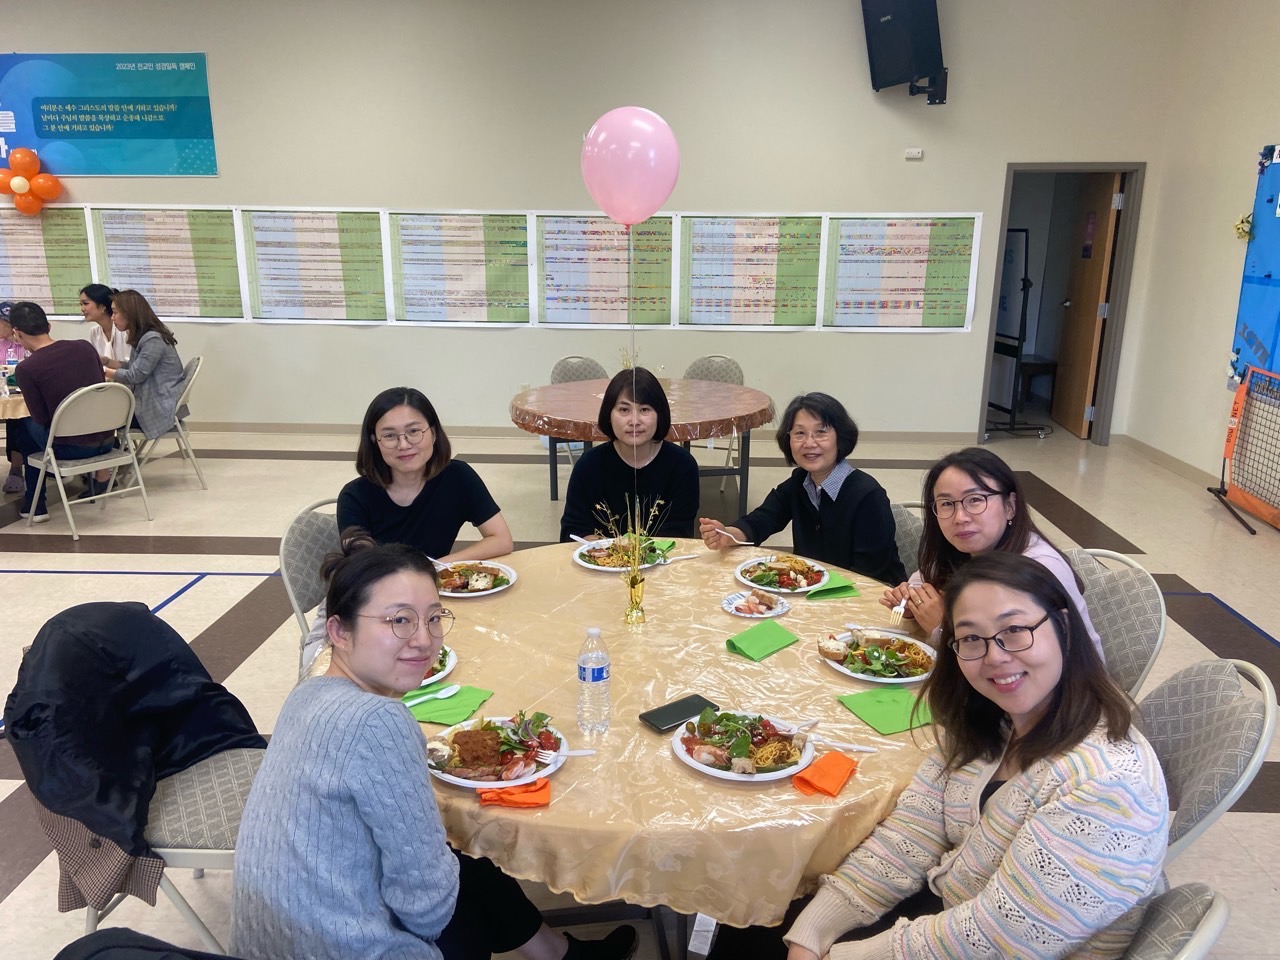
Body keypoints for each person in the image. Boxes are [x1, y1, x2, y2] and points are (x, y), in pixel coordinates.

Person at [709, 553, 1168, 960]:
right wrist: (814, 931)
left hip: (991, 944)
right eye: (971, 638)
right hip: (949, 908)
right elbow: (916, 830)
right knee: (755, 921)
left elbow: (997, 939)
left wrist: (845, 955)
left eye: (1014, 630)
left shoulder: (1108, 786)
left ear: (1064, 627)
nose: (995, 657)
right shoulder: (994, 719)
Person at [230, 536, 637, 960]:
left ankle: (558, 953)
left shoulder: (307, 692)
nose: (424, 640)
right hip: (346, 947)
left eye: (434, 618)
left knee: (454, 855)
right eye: (399, 620)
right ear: (339, 631)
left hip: (270, 940)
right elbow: (425, 905)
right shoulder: (378, 721)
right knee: (456, 882)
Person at [300, 388, 514, 670]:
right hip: (363, 603)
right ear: (374, 442)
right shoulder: (355, 496)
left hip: (426, 595)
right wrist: (425, 574)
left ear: (433, 433)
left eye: (414, 431)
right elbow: (363, 577)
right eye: (390, 436)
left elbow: (501, 539)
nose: (404, 444)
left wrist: (437, 566)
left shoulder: (458, 477)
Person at [880, 447, 1103, 660]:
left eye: (975, 500)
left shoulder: (1037, 569)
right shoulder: (963, 549)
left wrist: (942, 627)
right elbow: (922, 580)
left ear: (1010, 505)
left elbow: (1010, 663)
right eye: (946, 503)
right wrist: (913, 603)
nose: (960, 517)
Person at [699, 392, 904, 584]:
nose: (809, 443)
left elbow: (866, 576)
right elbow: (763, 519)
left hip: (872, 597)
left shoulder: (868, 496)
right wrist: (728, 534)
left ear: (840, 437)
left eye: (821, 432)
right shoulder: (800, 482)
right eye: (799, 433)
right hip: (817, 589)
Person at [559, 366, 699, 541]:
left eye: (644, 410)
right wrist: (611, 551)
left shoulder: (682, 465)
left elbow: (680, 536)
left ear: (660, 414)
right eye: (624, 410)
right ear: (608, 415)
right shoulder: (589, 465)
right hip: (601, 557)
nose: (634, 421)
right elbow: (573, 532)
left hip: (663, 558)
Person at [7, 301, 113, 521]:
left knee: (22, 427)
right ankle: (37, 500)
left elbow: (41, 418)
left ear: (17, 333)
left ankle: (36, 505)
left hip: (70, 449)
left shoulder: (27, 368)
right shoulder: (85, 348)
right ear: (48, 326)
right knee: (30, 429)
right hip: (107, 441)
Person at [0, 300, 30, 494]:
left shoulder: (27, 343)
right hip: (4, 394)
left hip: (24, 396)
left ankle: (16, 469)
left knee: (17, 421)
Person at [79, 283, 131, 364]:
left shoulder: (125, 330)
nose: (82, 309)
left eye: (86, 303)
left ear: (103, 306)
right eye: (81, 304)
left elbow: (134, 366)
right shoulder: (94, 332)